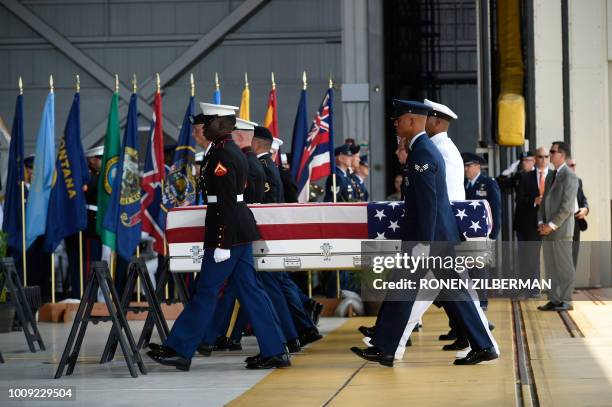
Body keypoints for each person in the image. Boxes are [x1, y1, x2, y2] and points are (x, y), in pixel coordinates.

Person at [350, 99, 498, 367]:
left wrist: (423, 244)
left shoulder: (423, 153)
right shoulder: (422, 149)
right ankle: (483, 345)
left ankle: (384, 348)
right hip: (434, 238)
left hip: (430, 239)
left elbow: (429, 203)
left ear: (411, 121)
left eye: (399, 119)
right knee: (451, 292)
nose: (395, 124)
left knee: (406, 289)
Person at [147, 102, 290, 370]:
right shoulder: (221, 150)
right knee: (251, 291)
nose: (203, 127)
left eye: (208, 122)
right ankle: (275, 350)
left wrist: (222, 242)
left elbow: (225, 201)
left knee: (206, 291)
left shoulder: (223, 154)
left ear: (223, 124)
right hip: (236, 229)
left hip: (230, 232)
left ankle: (179, 348)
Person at [537, 142, 579, 311]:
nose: (550, 154)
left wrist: (551, 225)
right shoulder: (550, 176)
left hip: (560, 231)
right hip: (548, 230)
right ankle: (554, 299)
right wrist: (541, 222)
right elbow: (543, 200)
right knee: (551, 267)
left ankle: (566, 300)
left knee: (564, 266)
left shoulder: (570, 176)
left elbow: (567, 207)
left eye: (552, 152)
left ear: (561, 155)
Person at [424, 99, 465, 201]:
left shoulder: (442, 149)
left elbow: (448, 191)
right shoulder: (438, 146)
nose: (422, 123)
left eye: (426, 119)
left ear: (437, 123)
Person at [463, 153, 502, 240]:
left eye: (468, 166)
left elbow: (495, 210)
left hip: (482, 233)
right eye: (464, 166)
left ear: (477, 166)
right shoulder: (463, 184)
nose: (465, 169)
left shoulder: (488, 183)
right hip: (466, 233)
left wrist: (492, 236)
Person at [567, 158, 589, 268]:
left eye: (574, 165)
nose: (573, 167)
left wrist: (585, 209)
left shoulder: (578, 181)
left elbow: (583, 199)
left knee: (574, 254)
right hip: (562, 222)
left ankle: (570, 284)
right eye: (571, 165)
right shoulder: (555, 181)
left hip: (576, 221)